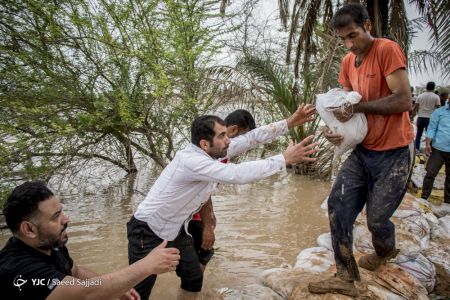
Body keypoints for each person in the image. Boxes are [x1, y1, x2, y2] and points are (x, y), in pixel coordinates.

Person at [127, 105, 318, 300]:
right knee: (137, 292)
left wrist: (289, 122)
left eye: (227, 134)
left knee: (193, 278)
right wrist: (283, 158)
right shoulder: (193, 161)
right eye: (222, 136)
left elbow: (251, 138)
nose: (229, 141)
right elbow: (236, 174)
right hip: (147, 229)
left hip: (175, 229)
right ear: (204, 144)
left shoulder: (212, 151)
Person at [308, 3, 414, 297]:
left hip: (394, 153)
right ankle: (345, 275)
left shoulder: (386, 50)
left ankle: (385, 252)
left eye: (353, 36)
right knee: (337, 206)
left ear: (367, 24)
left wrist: (357, 105)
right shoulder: (347, 63)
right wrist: (336, 133)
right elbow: (345, 110)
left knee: (377, 220)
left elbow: (404, 100)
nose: (349, 45)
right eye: (343, 39)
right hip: (363, 151)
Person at [0, 181, 180, 300]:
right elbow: (85, 292)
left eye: (61, 211)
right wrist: (146, 265)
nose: (66, 219)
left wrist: (118, 288)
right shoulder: (19, 270)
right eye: (56, 216)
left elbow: (75, 271)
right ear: (29, 229)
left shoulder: (49, 243)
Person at [187, 109, 257, 276]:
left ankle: (196, 285)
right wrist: (207, 226)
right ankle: (196, 287)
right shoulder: (210, 155)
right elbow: (237, 175)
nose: (229, 141)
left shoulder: (218, 153)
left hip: (196, 211)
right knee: (203, 254)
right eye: (244, 136)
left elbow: (206, 191)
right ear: (232, 130)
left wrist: (210, 216)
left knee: (200, 255)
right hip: (192, 214)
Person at [421, 97, 450, 204]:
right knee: (430, 173)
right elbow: (432, 128)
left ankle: (448, 201)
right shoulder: (439, 112)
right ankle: (424, 197)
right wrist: (428, 143)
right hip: (438, 148)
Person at [414, 82, 441, 152]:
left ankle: (416, 149)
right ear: (434, 87)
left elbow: (416, 107)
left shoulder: (420, 96)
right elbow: (438, 108)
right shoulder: (436, 97)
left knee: (418, 134)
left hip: (420, 117)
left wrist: (413, 115)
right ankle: (429, 149)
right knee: (430, 135)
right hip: (430, 118)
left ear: (426, 87)